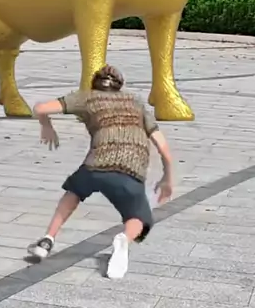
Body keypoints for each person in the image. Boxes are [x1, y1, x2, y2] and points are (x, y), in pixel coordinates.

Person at [27, 64, 173, 279]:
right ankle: (124, 240)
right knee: (140, 218)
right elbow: (162, 146)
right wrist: (167, 177)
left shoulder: (87, 98)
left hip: (96, 165)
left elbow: (40, 108)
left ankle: (47, 239)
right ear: (119, 85)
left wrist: (46, 125)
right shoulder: (136, 102)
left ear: (94, 83)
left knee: (74, 191)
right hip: (131, 170)